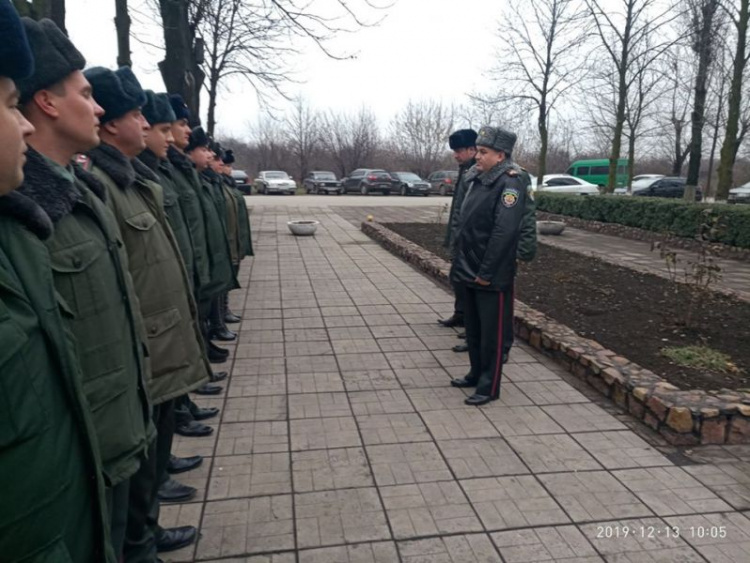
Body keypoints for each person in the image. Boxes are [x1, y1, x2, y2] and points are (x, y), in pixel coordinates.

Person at [15, 16, 154, 559]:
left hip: (119, 424)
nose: (97, 108)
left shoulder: (79, 192)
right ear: (46, 102)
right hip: (84, 448)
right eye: (87, 95)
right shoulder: (29, 215)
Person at [0, 5, 113, 561]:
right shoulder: (29, 224)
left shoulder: (46, 211)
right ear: (47, 103)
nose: (19, 121)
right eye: (6, 103)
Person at [83, 65, 210, 559]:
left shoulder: (134, 179)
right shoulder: (99, 183)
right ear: (114, 124)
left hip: (160, 336)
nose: (149, 126)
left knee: (151, 453)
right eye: (140, 116)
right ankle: (140, 543)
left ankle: (146, 535)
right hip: (140, 348)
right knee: (136, 464)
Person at [138, 90, 219, 443]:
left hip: (185, 277)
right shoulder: (140, 178)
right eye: (171, 126)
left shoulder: (169, 173)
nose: (177, 134)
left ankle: (182, 407)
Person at [449, 125, 527, 406]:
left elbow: (503, 232)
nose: (477, 156)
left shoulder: (510, 182)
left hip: (490, 274)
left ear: (501, 155)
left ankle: (489, 386)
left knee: (491, 335)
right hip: (468, 267)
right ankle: (474, 373)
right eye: (478, 151)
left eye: (483, 152)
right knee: (474, 329)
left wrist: (486, 272)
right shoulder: (477, 178)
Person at [439, 129, 478, 350]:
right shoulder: (465, 169)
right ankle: (460, 315)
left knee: (469, 283)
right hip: (459, 236)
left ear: (472, 149)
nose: (455, 155)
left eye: (459, 150)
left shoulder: (477, 171)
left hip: (469, 239)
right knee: (458, 280)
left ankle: (472, 327)